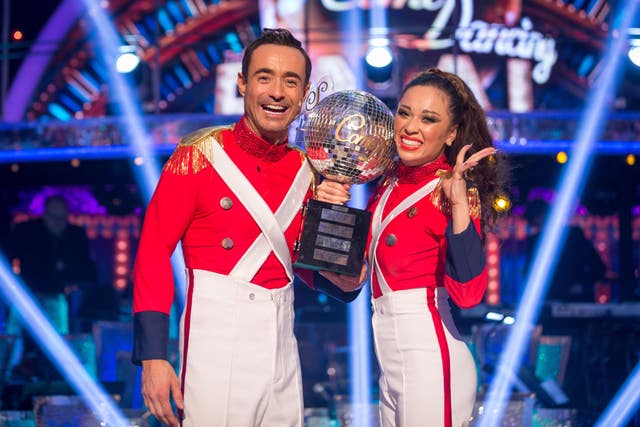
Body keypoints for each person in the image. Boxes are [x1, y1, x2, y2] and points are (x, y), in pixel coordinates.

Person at [133, 28, 359, 427]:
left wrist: (341, 252)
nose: (277, 92)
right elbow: (152, 251)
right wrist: (153, 356)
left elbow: (307, 270)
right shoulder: (199, 156)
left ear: (305, 93)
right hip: (216, 345)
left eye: (290, 81)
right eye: (264, 77)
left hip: (283, 346)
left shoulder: (309, 172)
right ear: (242, 83)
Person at [318, 68, 503, 427]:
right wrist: (329, 211)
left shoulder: (455, 193)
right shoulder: (386, 185)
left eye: (429, 118)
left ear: (451, 134)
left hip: (431, 358)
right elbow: (350, 281)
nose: (411, 127)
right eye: (404, 112)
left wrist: (461, 205)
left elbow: (469, 295)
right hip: (390, 362)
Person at [8, 194, 97, 377]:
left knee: (59, 339)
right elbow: (9, 258)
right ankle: (8, 374)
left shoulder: (75, 235)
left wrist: (75, 284)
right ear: (45, 215)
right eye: (54, 217)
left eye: (62, 218)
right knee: (14, 339)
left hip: (56, 296)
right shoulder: (27, 231)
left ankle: (56, 375)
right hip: (26, 296)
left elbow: (86, 267)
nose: (58, 223)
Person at [524, 198, 607, 303]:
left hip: (577, 304)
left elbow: (599, 268)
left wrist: (581, 284)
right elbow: (529, 275)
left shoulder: (574, 236)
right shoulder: (535, 242)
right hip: (549, 304)